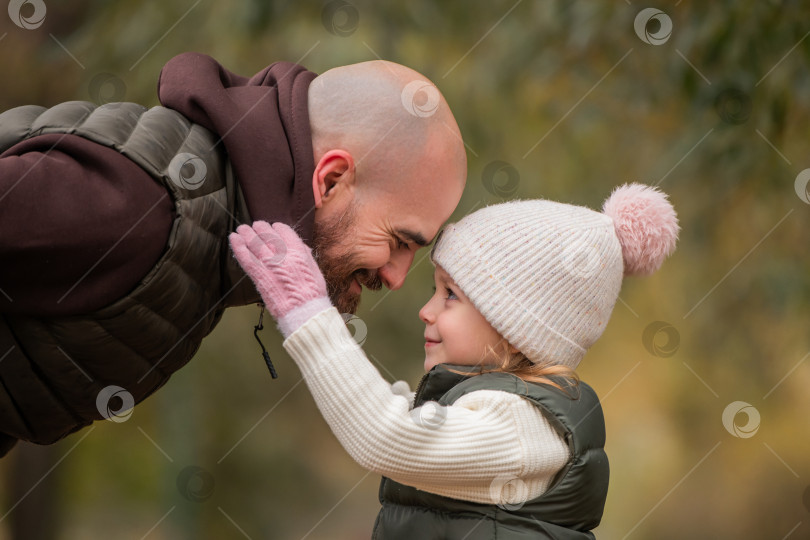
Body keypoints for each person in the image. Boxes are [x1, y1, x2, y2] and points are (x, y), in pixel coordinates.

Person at [0, 53, 466, 456]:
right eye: (400, 242)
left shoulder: (206, 233)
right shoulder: (144, 208)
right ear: (330, 180)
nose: (398, 276)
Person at [229, 183, 679, 539]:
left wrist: (308, 314)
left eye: (451, 295)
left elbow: (386, 434)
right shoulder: (498, 411)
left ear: (514, 325)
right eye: (434, 290)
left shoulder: (519, 426)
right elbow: (397, 417)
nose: (427, 310)